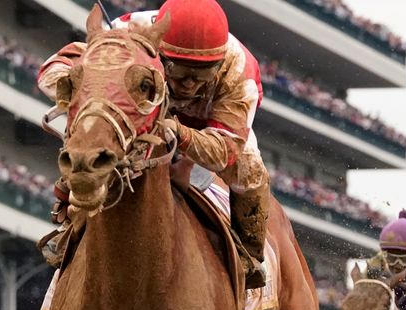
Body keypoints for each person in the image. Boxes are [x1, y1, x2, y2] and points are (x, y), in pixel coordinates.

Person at [36, 0, 269, 288]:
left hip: (211, 125)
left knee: (251, 170)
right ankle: (71, 224)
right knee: (96, 139)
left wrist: (178, 133)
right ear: (160, 52)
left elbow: (225, 152)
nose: (189, 85)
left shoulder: (239, 72)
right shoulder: (127, 31)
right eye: (180, 73)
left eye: (201, 77)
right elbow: (53, 67)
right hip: (143, 112)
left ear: (218, 66)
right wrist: (86, 92)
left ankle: (248, 255)